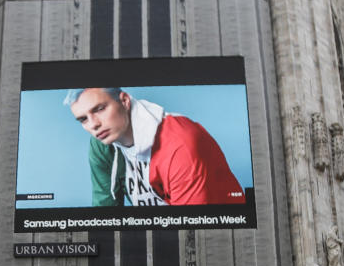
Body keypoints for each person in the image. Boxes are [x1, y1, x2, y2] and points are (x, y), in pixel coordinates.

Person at [65, 88, 245, 207]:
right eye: (83, 119)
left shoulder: (180, 145)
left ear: (125, 100)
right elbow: (104, 213)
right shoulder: (103, 145)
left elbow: (192, 235)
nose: (93, 124)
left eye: (99, 109)